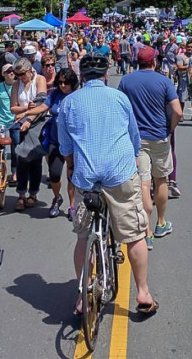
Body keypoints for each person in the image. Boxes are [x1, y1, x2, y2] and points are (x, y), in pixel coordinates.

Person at [57, 54, 158, 316]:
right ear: (105, 75)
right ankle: (144, 293)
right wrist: (134, 160)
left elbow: (65, 147)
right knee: (135, 235)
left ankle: (82, 293)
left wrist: (72, 167)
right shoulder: (119, 98)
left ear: (81, 77)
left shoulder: (69, 103)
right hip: (119, 174)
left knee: (83, 236)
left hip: (87, 178)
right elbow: (134, 138)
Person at [118, 46, 183, 250]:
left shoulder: (126, 81)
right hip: (159, 136)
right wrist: (169, 128)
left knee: (143, 184)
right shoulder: (163, 81)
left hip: (136, 139)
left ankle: (145, 232)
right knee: (161, 179)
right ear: (154, 61)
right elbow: (178, 111)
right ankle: (161, 222)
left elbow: (120, 107)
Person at [23, 68, 80, 218]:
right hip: (56, 141)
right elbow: (44, 107)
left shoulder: (78, 96)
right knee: (54, 175)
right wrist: (27, 113)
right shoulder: (55, 94)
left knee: (72, 174)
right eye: (60, 82)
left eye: (66, 82)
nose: (63, 85)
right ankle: (57, 198)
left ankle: (73, 205)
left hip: (73, 143)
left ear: (73, 82)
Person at [10, 58, 48, 210]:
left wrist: (28, 117)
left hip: (36, 122)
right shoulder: (16, 85)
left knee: (34, 159)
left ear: (30, 70)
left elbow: (41, 104)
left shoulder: (39, 79)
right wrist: (26, 107)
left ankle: (33, 193)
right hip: (20, 123)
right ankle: (21, 194)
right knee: (21, 158)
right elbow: (13, 108)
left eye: (22, 74)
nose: (20, 77)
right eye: (17, 74)